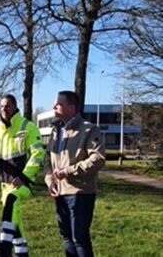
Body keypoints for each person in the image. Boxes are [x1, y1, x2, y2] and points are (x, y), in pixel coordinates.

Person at [0, 94, 45, 257]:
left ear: (15, 107)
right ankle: (22, 252)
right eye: (2, 106)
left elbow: (38, 154)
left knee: (11, 203)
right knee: (14, 218)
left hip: (22, 183)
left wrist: (25, 177)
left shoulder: (28, 127)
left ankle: (4, 248)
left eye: (7, 106)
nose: (4, 109)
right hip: (4, 184)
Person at [44, 91, 106, 257]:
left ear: (71, 108)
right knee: (66, 238)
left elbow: (98, 158)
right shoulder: (55, 131)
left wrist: (68, 171)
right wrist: (49, 181)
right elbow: (48, 160)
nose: (53, 107)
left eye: (58, 104)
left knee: (79, 238)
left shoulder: (89, 130)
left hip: (80, 193)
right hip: (59, 193)